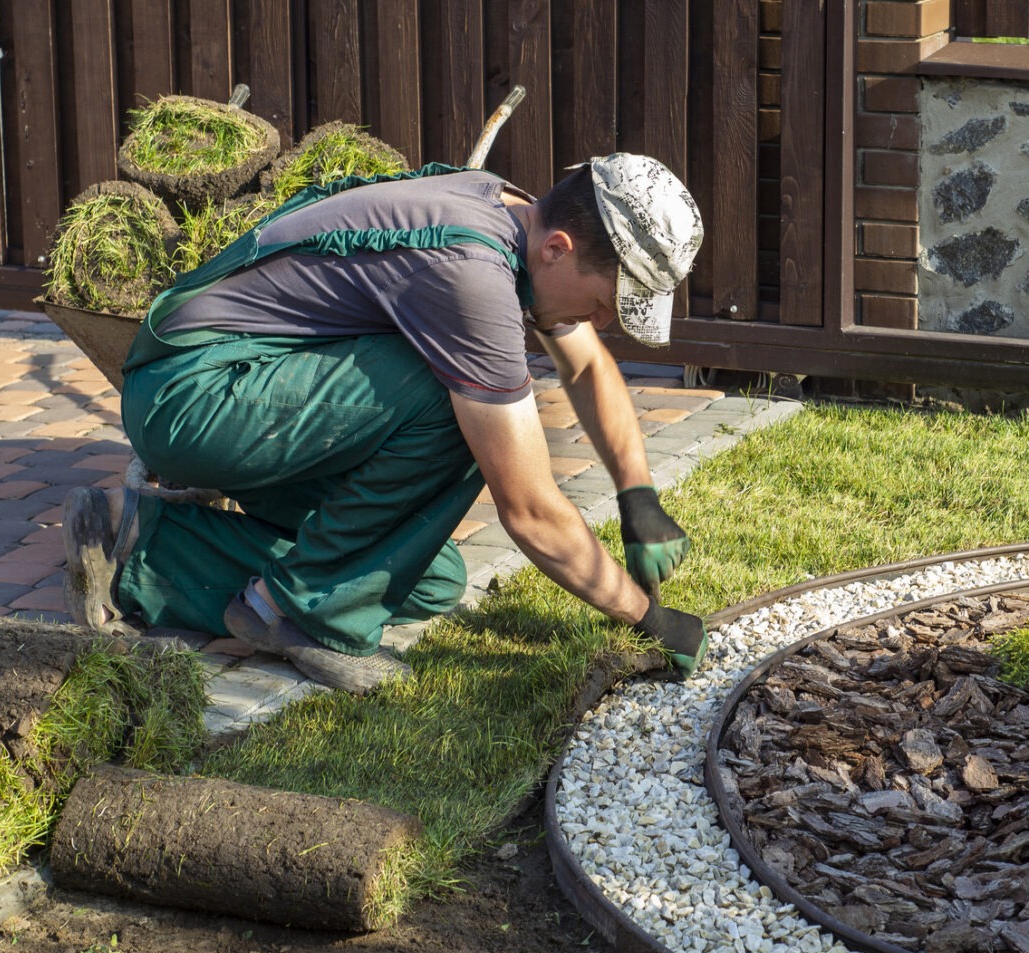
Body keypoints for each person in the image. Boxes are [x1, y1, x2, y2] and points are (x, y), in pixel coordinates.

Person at [58, 152, 709, 694]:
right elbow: (531, 507)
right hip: (195, 394)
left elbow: (589, 369)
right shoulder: (474, 277)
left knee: (424, 577)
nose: (598, 322)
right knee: (461, 400)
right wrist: (645, 615)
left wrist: (637, 493)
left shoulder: (515, 215)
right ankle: (296, 613)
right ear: (560, 248)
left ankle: (137, 542)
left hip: (251, 389)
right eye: (601, 303)